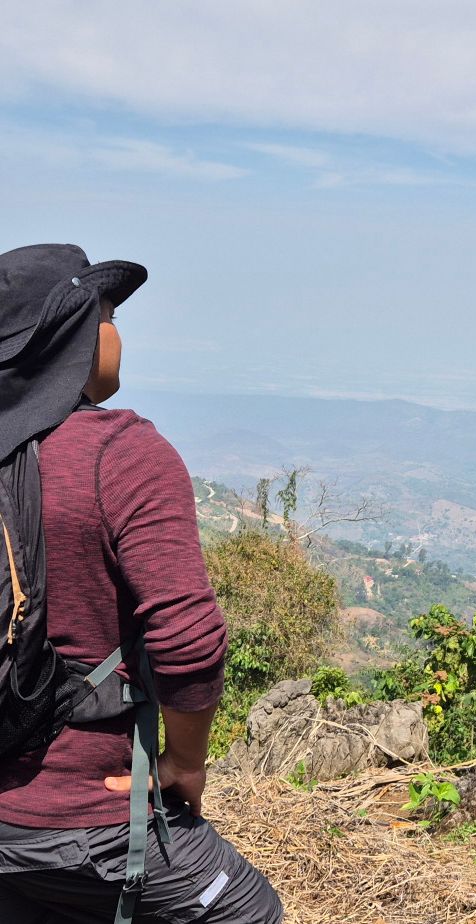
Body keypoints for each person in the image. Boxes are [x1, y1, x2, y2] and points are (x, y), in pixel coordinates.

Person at [0, 244, 283, 922]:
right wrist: (187, 764)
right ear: (71, 335)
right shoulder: (120, 453)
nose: (116, 334)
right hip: (89, 819)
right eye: (108, 316)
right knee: (253, 912)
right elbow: (190, 640)